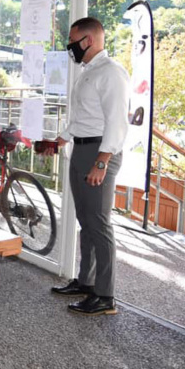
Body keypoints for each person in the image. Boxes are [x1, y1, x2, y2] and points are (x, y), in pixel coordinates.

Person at [47, 17, 129, 316]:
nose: (70, 46)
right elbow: (83, 116)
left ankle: (105, 296)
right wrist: (62, 138)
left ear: (88, 40)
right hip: (81, 148)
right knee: (86, 220)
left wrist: (102, 162)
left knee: (99, 223)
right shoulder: (88, 71)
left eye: (72, 41)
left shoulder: (111, 72)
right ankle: (87, 282)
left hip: (99, 152)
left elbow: (117, 122)